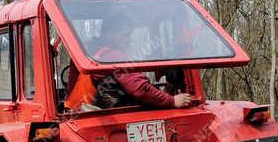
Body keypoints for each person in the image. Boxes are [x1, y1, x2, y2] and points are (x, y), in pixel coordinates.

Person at [66, 13, 195, 111]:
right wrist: (172, 101)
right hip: (94, 112)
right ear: (110, 33)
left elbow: (72, 82)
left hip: (77, 110)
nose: (129, 40)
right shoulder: (114, 55)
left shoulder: (89, 49)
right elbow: (140, 89)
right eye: (126, 35)